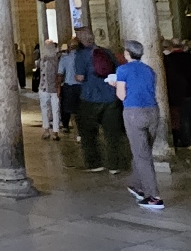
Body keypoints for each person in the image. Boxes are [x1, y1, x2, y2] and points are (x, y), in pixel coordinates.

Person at [113, 40, 164, 210]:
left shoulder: (123, 70)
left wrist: (115, 84)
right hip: (152, 111)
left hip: (134, 112)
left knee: (142, 155)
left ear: (127, 53)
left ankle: (153, 197)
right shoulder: (149, 70)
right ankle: (137, 184)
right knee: (143, 150)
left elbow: (121, 95)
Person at [73, 27, 125, 173]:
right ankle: (114, 165)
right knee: (112, 133)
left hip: (90, 97)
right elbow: (117, 71)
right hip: (110, 97)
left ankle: (94, 163)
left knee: (88, 133)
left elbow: (80, 77)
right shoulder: (107, 52)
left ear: (81, 39)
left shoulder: (81, 55)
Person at [165, 40, 191, 149]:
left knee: (181, 117)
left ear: (171, 47)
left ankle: (186, 140)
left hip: (175, 92)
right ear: (183, 47)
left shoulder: (167, 59)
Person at [37, 39, 61, 140]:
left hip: (51, 88)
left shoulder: (55, 59)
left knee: (52, 109)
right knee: (49, 109)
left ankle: (52, 131)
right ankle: (49, 130)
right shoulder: (49, 59)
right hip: (47, 87)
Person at [58, 38, 80, 134]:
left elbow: (60, 74)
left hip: (69, 86)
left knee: (66, 107)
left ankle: (65, 125)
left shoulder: (65, 58)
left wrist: (58, 87)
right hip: (81, 86)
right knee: (80, 108)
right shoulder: (84, 57)